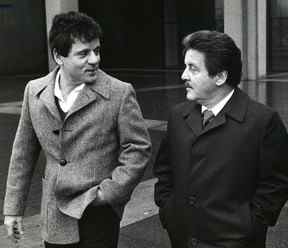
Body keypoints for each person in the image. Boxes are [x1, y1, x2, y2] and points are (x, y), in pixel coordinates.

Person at [3, 11, 151, 248]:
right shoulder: (35, 91)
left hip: (98, 213)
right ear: (58, 56)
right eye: (83, 53)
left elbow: (138, 148)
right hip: (55, 214)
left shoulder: (119, 92)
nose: (94, 59)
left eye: (97, 50)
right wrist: (13, 209)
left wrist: (110, 193)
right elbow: (22, 153)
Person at [153, 30, 288, 248]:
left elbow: (276, 184)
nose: (183, 76)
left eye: (193, 68)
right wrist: (168, 209)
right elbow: (164, 169)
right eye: (185, 66)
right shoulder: (178, 115)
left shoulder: (263, 122)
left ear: (220, 77)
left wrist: (250, 225)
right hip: (182, 237)